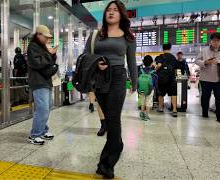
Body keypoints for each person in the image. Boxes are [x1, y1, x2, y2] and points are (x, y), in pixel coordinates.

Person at [84, 1, 137, 178]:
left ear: (121, 15)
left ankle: (108, 163)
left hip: (118, 77)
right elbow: (85, 56)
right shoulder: (96, 35)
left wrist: (135, 82)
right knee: (108, 117)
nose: (111, 12)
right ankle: (118, 144)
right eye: (109, 10)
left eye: (115, 10)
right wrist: (96, 62)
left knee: (113, 118)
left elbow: (131, 62)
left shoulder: (128, 37)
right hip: (100, 78)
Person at [27, 25, 58, 145]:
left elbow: (50, 62)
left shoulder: (42, 47)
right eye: (46, 37)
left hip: (46, 81)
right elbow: (38, 63)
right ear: (38, 35)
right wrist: (49, 54)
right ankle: (34, 135)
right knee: (42, 108)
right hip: (38, 81)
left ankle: (43, 130)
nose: (47, 40)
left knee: (47, 106)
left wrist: (52, 54)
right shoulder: (33, 47)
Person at [195, 32, 220, 124]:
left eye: (218, 41)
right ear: (211, 41)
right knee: (205, 97)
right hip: (205, 79)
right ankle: (204, 112)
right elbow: (197, 61)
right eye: (214, 40)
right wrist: (205, 62)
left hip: (219, 79)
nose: (215, 42)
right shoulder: (204, 50)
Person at [155, 43, 178, 117]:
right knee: (173, 94)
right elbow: (175, 69)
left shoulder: (160, 57)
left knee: (161, 94)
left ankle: (160, 108)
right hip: (171, 78)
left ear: (163, 48)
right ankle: (174, 110)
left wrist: (156, 70)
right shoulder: (173, 58)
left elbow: (159, 65)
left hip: (162, 79)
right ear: (170, 48)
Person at [138, 55, 157, 121]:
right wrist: (155, 88)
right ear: (151, 63)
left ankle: (142, 113)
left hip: (141, 89)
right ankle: (146, 115)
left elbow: (137, 79)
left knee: (142, 101)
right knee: (148, 101)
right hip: (150, 89)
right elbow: (155, 81)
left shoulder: (140, 71)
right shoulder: (153, 72)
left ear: (143, 62)